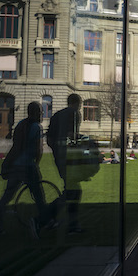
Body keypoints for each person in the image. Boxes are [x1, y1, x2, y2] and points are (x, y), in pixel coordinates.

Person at [0, 102, 54, 237]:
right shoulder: (37, 127)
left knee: (6, 197)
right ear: (37, 113)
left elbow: (16, 145)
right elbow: (39, 149)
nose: (41, 115)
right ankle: (44, 222)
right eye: (40, 112)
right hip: (28, 166)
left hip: (15, 165)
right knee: (38, 195)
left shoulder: (20, 125)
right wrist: (37, 162)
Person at [47, 93, 84, 234]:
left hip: (59, 157)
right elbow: (72, 136)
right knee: (73, 191)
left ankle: (70, 224)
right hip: (69, 158)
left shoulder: (56, 115)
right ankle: (45, 217)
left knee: (71, 190)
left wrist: (57, 151)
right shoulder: (75, 114)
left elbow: (49, 138)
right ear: (78, 103)